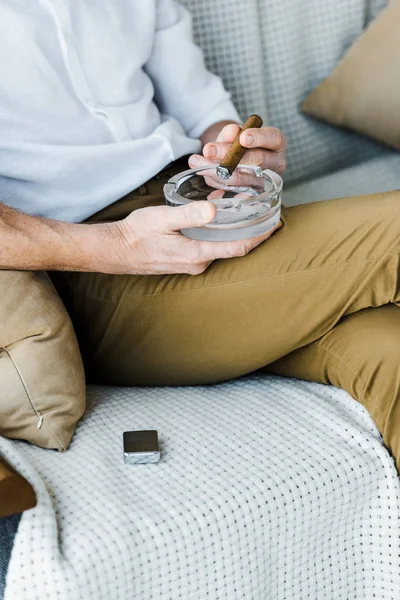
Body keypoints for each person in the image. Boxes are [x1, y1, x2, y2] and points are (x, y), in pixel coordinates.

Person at [1, 1, 399, 470]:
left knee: (387, 351)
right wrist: (119, 245)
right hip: (91, 266)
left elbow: (203, 111)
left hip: (201, 207)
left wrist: (235, 152)